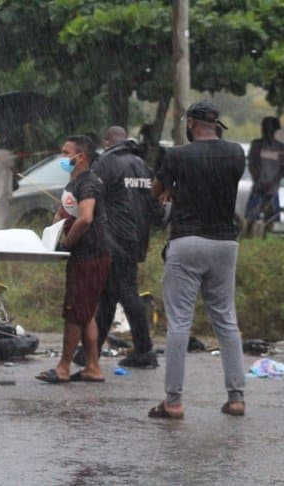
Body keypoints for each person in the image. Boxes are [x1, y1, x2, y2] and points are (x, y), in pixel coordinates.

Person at [150, 100, 246, 418]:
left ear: (190, 124)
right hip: (224, 244)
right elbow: (218, 189)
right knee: (226, 320)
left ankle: (173, 402)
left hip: (187, 241)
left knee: (180, 323)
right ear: (217, 125)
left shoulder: (177, 155)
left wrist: (172, 191)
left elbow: (157, 191)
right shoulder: (235, 153)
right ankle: (236, 398)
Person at [82, 126, 160, 369]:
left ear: (107, 142)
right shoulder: (141, 164)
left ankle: (145, 349)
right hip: (137, 236)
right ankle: (90, 351)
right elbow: (154, 205)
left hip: (113, 238)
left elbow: (90, 196)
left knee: (126, 292)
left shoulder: (105, 163)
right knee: (109, 295)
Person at [35, 135, 110, 384]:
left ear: (81, 156)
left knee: (75, 312)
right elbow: (62, 213)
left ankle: (63, 367)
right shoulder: (73, 183)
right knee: (86, 312)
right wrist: (48, 238)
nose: (62, 157)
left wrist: (67, 243)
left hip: (91, 255)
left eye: (66, 153)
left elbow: (86, 218)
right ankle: (92, 367)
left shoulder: (89, 183)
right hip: (81, 255)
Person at [244, 116, 284, 237]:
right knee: (250, 217)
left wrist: (273, 183)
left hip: (273, 189)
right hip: (258, 187)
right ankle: (248, 236)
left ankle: (267, 236)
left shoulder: (281, 147)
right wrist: (259, 181)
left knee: (272, 220)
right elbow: (252, 165)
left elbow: (282, 169)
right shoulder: (256, 145)